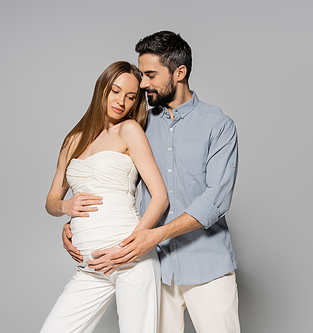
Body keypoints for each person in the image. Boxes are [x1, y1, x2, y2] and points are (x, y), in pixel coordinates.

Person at [63, 31, 241, 333]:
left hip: (207, 266)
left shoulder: (219, 126)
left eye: (150, 75)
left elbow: (215, 202)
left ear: (180, 72)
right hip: (153, 268)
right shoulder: (138, 124)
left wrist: (155, 235)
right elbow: (112, 180)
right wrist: (77, 224)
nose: (142, 83)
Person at [40, 61, 168, 333]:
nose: (121, 102)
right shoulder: (73, 140)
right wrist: (65, 206)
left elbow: (160, 197)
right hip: (90, 268)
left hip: (130, 261)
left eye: (131, 97)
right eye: (115, 91)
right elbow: (51, 201)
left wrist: (126, 250)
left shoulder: (129, 130)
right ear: (102, 89)